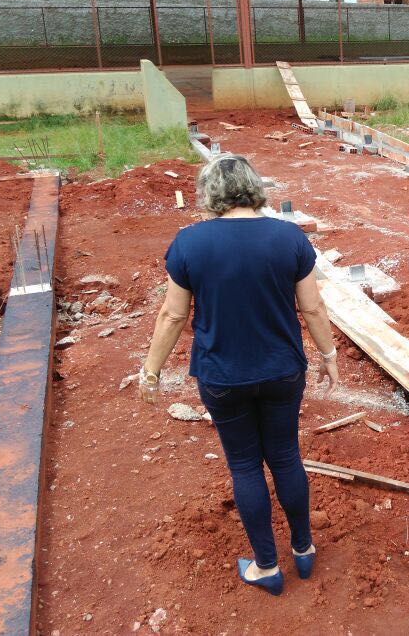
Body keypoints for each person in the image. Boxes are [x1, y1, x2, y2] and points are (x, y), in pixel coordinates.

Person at [138, 153, 340, 597]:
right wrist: (328, 353)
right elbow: (312, 307)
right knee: (286, 456)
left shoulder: (189, 243)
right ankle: (303, 550)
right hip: (282, 371)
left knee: (245, 464)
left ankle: (267, 566)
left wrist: (151, 371)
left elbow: (173, 316)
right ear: (254, 188)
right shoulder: (290, 238)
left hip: (223, 376)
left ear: (209, 195)